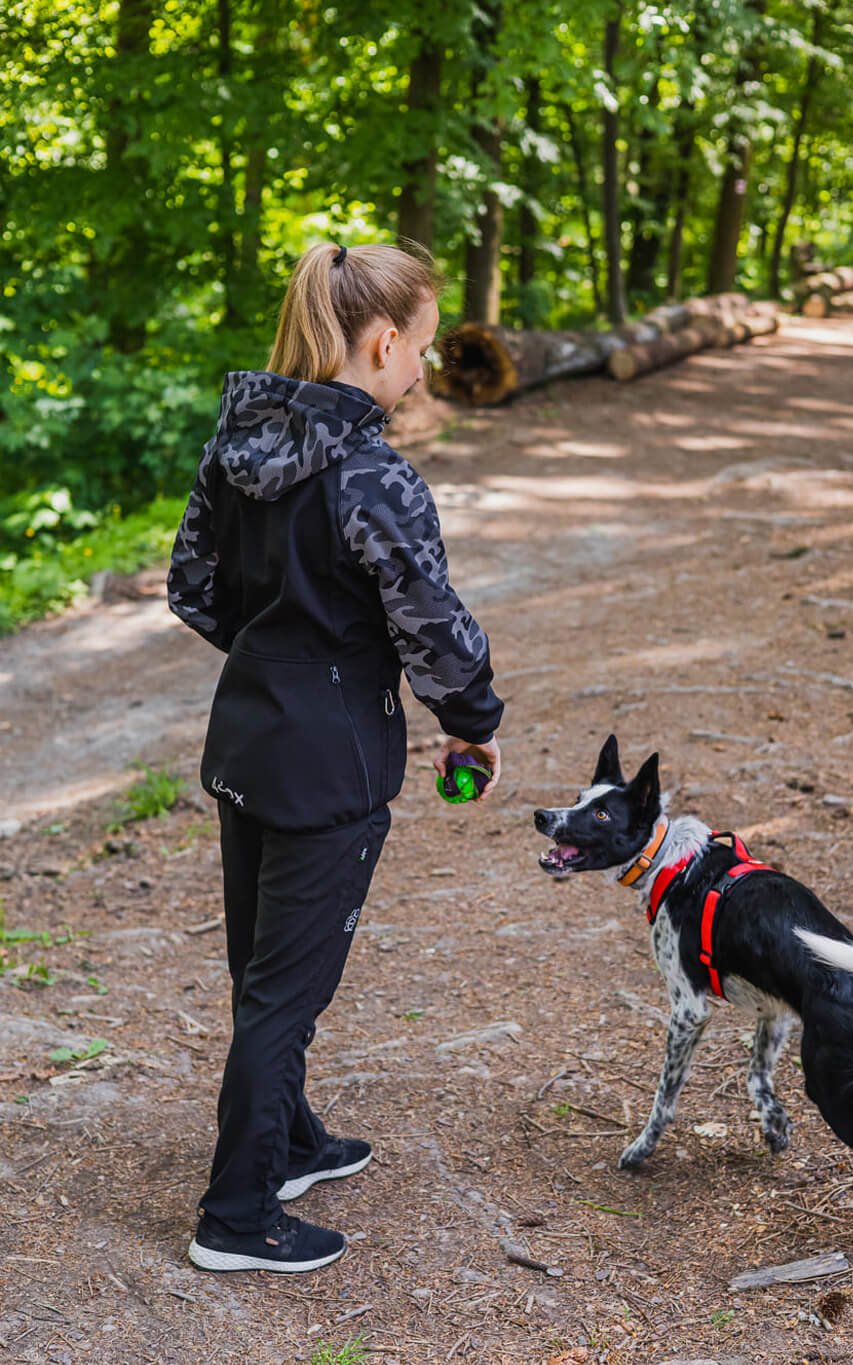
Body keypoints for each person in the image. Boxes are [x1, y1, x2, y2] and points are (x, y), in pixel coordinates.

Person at [166, 241, 504, 1274]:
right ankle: (237, 1218)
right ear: (382, 341)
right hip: (331, 769)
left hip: (249, 746)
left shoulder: (238, 443)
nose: (426, 366)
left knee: (261, 971)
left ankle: (294, 1141)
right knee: (284, 993)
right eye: (424, 347)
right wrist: (471, 721)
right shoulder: (372, 473)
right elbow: (432, 628)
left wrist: (281, 660)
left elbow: (194, 589)